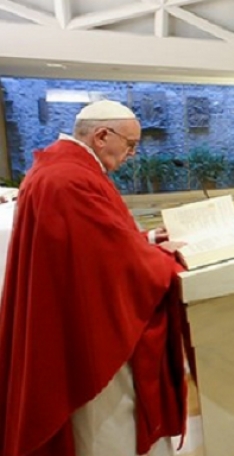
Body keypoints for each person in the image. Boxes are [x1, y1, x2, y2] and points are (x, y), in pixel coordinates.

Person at [0, 101, 187, 456]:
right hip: (87, 323)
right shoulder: (70, 178)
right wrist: (162, 259)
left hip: (68, 304)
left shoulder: (63, 166)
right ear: (102, 135)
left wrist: (145, 240)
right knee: (107, 424)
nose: (132, 154)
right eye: (130, 145)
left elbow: (93, 241)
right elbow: (108, 259)